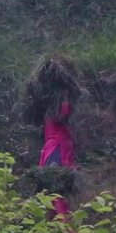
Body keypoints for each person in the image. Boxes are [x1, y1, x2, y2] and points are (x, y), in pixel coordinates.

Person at [38, 89, 75, 219]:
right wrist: (65, 98)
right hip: (55, 151)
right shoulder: (53, 114)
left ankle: (62, 226)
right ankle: (64, 227)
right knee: (55, 188)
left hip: (58, 151)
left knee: (56, 190)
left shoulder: (50, 116)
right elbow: (63, 114)